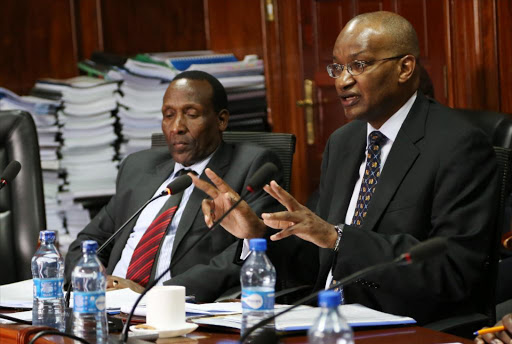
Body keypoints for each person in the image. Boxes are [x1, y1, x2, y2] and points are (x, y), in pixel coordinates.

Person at [191, 11, 498, 324]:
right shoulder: (344, 142)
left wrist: (337, 238)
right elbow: (314, 254)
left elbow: (453, 270)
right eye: (337, 67)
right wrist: (257, 232)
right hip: (324, 320)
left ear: (404, 68)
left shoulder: (457, 145)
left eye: (359, 65)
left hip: (404, 328)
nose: (342, 80)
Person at [64, 70, 283, 302]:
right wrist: (90, 275)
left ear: (221, 120)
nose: (176, 127)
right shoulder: (138, 168)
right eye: (168, 115)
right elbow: (88, 241)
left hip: (176, 310)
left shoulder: (252, 168)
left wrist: (153, 295)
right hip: (106, 305)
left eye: (191, 114)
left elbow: (246, 253)